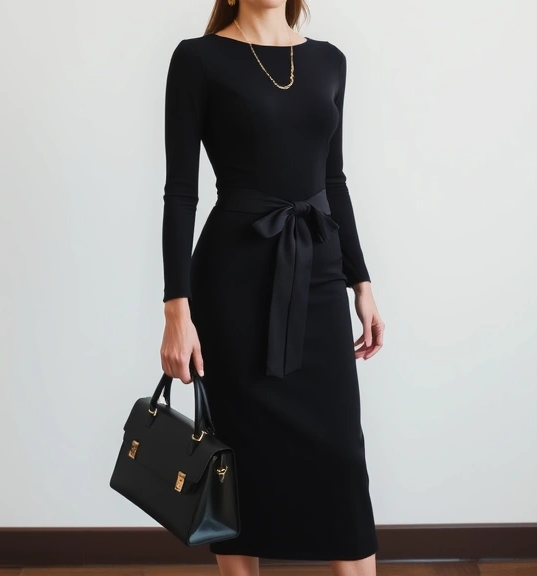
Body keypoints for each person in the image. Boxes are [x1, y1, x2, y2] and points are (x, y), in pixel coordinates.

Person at [159, 0, 384, 574]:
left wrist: (361, 281)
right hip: (233, 286)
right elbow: (181, 191)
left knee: (340, 459)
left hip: (319, 273)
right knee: (240, 460)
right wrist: (176, 312)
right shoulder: (198, 60)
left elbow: (332, 179)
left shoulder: (329, 62)